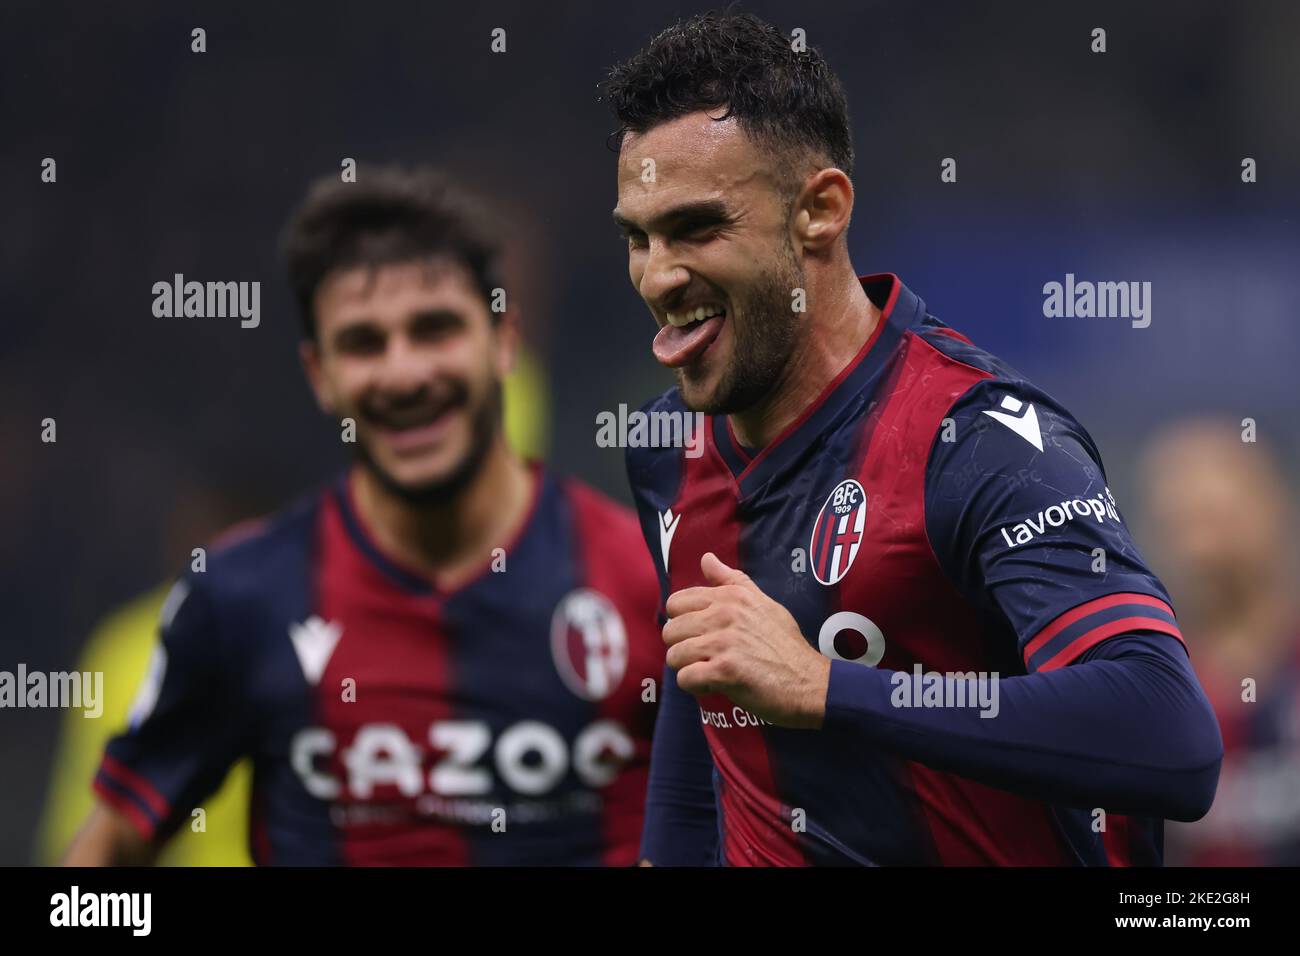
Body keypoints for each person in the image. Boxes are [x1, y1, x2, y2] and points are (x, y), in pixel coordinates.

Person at [604, 12, 1221, 865]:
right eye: (639, 237)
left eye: (698, 228)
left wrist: (828, 688)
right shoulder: (666, 447)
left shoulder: (980, 441)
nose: (659, 276)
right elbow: (699, 728)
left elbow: (1170, 735)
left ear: (819, 211)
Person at [64, 166, 663, 865]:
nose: (403, 373)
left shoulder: (647, 582)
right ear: (320, 375)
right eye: (364, 342)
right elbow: (96, 871)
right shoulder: (242, 599)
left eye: (434, 329)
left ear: (504, 341)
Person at [1138, 420, 1300, 865]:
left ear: (1274, 509)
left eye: (1218, 518)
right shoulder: (1142, 692)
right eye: (1181, 525)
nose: (1201, 550)